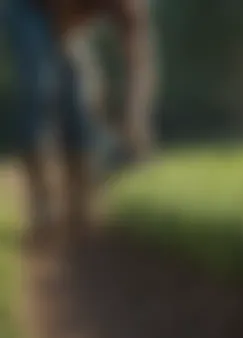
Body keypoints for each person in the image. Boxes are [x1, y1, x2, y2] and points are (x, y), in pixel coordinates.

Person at [4, 0, 155, 242]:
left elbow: (139, 63)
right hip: (28, 7)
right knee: (37, 86)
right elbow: (60, 21)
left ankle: (81, 210)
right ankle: (42, 208)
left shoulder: (130, 10)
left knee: (78, 102)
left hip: (65, 20)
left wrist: (135, 118)